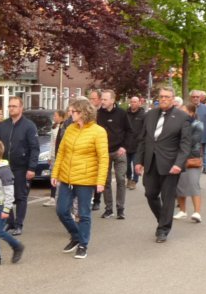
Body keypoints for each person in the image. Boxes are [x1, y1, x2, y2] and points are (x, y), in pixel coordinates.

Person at [51, 97, 108, 259]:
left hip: (86, 179)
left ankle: (83, 244)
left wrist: (100, 181)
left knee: (83, 214)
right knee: (61, 210)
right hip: (66, 178)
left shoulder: (98, 132)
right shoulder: (69, 128)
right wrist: (55, 173)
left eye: (73, 111)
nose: (70, 114)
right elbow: (61, 152)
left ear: (83, 113)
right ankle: (76, 235)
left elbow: (103, 158)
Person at [135, 86, 191, 243]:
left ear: (173, 99)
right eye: (161, 96)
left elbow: (185, 144)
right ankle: (163, 219)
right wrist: (138, 161)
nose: (164, 99)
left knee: (167, 198)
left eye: (167, 96)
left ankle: (163, 230)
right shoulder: (150, 115)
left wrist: (179, 164)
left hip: (170, 165)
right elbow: (143, 139)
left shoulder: (182, 117)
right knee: (150, 194)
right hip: (150, 163)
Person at [0, 96, 39, 234]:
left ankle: (19, 224)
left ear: (21, 108)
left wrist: (31, 167)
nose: (11, 108)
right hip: (6, 167)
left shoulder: (29, 126)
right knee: (5, 196)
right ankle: (10, 222)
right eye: (9, 106)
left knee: (20, 196)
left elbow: (34, 148)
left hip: (21, 167)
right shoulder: (4, 125)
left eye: (14, 106)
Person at [97, 89, 132, 219]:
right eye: (102, 99)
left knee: (121, 179)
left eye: (105, 99)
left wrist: (124, 146)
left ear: (112, 100)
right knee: (105, 181)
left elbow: (129, 131)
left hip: (119, 151)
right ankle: (108, 209)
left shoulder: (122, 114)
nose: (102, 101)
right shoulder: (98, 114)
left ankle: (120, 208)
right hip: (103, 152)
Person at [173, 103, 204, 223]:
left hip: (192, 157)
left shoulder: (198, 124)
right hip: (179, 157)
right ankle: (182, 211)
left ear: (191, 113)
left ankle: (197, 212)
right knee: (180, 185)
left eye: (183, 111)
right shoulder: (178, 124)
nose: (180, 113)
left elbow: (192, 141)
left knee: (193, 183)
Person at [42, 109, 68, 207]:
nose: (54, 117)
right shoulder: (54, 127)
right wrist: (49, 156)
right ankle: (52, 198)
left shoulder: (64, 127)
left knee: (60, 178)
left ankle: (59, 198)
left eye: (56, 116)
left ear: (61, 117)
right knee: (53, 177)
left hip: (60, 156)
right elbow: (52, 143)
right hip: (53, 156)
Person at [125, 96, 146, 189]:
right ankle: (129, 178)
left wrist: (141, 140)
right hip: (126, 143)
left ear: (139, 103)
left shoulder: (143, 115)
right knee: (126, 164)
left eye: (135, 102)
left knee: (135, 164)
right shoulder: (126, 113)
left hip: (137, 144)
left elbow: (145, 129)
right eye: (132, 102)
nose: (133, 103)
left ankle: (134, 181)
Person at [190, 90, 206, 174]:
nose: (195, 98)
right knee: (195, 152)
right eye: (193, 97)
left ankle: (205, 167)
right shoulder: (187, 108)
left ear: (200, 98)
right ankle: (196, 166)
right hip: (191, 136)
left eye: (197, 97)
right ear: (191, 98)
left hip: (204, 135)